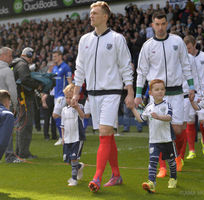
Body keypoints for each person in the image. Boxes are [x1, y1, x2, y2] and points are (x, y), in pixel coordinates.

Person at [72, 1, 134, 192]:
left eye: (95, 13)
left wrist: (129, 92)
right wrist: (76, 93)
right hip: (92, 95)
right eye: (90, 13)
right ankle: (116, 175)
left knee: (105, 133)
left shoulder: (117, 39)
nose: (91, 16)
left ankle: (97, 178)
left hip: (112, 93)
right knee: (107, 137)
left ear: (105, 16)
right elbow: (79, 69)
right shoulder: (84, 40)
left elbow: (126, 66)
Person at [135, 12, 195, 173]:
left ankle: (178, 157)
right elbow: (141, 71)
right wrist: (138, 94)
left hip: (176, 92)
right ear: (152, 25)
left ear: (167, 24)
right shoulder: (148, 45)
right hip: (157, 94)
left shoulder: (177, 41)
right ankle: (162, 167)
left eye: (163, 24)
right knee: (159, 132)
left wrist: (191, 86)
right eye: (157, 24)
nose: (160, 27)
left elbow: (186, 64)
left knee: (178, 129)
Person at [131, 79, 177, 193]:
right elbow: (141, 119)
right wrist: (132, 108)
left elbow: (169, 117)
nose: (160, 92)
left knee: (171, 161)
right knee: (153, 162)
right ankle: (151, 183)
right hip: (154, 140)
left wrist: (159, 117)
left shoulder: (167, 105)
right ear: (150, 92)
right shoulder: (149, 107)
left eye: (162, 89)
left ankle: (173, 178)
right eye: (157, 90)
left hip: (167, 139)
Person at [0, 47, 21, 163]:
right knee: (7, 131)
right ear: (4, 56)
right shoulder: (7, 71)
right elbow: (12, 90)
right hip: (5, 104)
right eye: (10, 56)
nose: (11, 58)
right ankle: (10, 156)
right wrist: (15, 105)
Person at [184, 35, 204, 157]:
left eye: (190, 48)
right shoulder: (183, 59)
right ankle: (191, 150)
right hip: (187, 93)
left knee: (203, 120)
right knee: (189, 121)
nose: (188, 51)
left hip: (202, 93)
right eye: (186, 49)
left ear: (195, 44)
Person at [12, 47, 41, 159]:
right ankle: (23, 153)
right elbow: (25, 80)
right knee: (26, 125)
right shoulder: (22, 65)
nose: (32, 59)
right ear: (28, 55)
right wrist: (37, 85)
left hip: (19, 98)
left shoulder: (16, 63)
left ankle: (19, 151)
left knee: (21, 124)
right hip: (24, 98)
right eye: (31, 56)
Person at [61, 84, 85, 186]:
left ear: (76, 97)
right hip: (67, 138)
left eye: (71, 97)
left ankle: (74, 179)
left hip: (77, 137)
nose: (68, 99)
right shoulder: (64, 110)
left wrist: (77, 108)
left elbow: (83, 116)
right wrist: (62, 137)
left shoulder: (80, 107)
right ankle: (79, 166)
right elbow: (62, 125)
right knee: (68, 160)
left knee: (74, 158)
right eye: (67, 97)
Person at [51, 50, 72, 146]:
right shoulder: (55, 68)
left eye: (55, 56)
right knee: (61, 117)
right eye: (53, 56)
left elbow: (70, 82)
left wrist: (69, 95)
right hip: (56, 95)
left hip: (62, 96)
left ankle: (62, 137)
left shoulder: (65, 67)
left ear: (60, 56)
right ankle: (66, 136)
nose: (54, 58)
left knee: (55, 115)